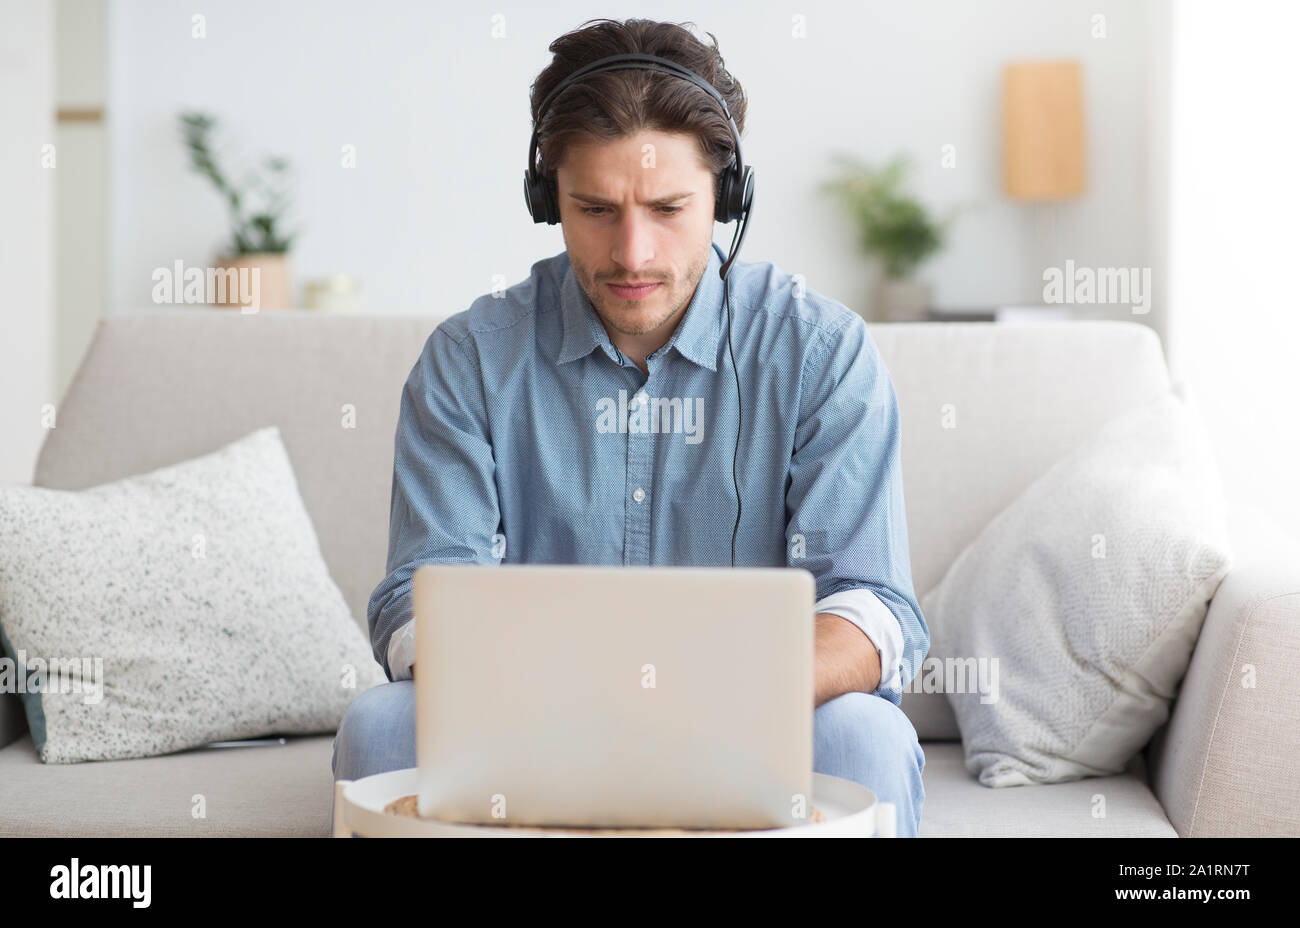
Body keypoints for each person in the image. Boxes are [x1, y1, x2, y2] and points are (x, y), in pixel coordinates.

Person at [333, 17, 928, 836]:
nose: (632, 252)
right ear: (548, 201)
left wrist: (706, 695)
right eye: (595, 209)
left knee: (866, 736)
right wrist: (581, 696)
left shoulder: (821, 353)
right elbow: (415, 598)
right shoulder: (469, 360)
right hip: (527, 721)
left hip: (753, 715)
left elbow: (872, 606)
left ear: (728, 196)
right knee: (381, 726)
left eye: (669, 207)